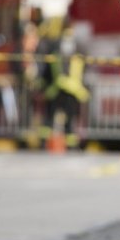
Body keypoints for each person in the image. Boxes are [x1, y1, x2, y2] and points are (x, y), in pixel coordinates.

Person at [38, 20, 89, 150]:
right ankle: (45, 143)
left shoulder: (68, 47)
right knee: (51, 118)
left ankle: (69, 144)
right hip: (60, 88)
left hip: (66, 89)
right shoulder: (64, 46)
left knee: (66, 118)